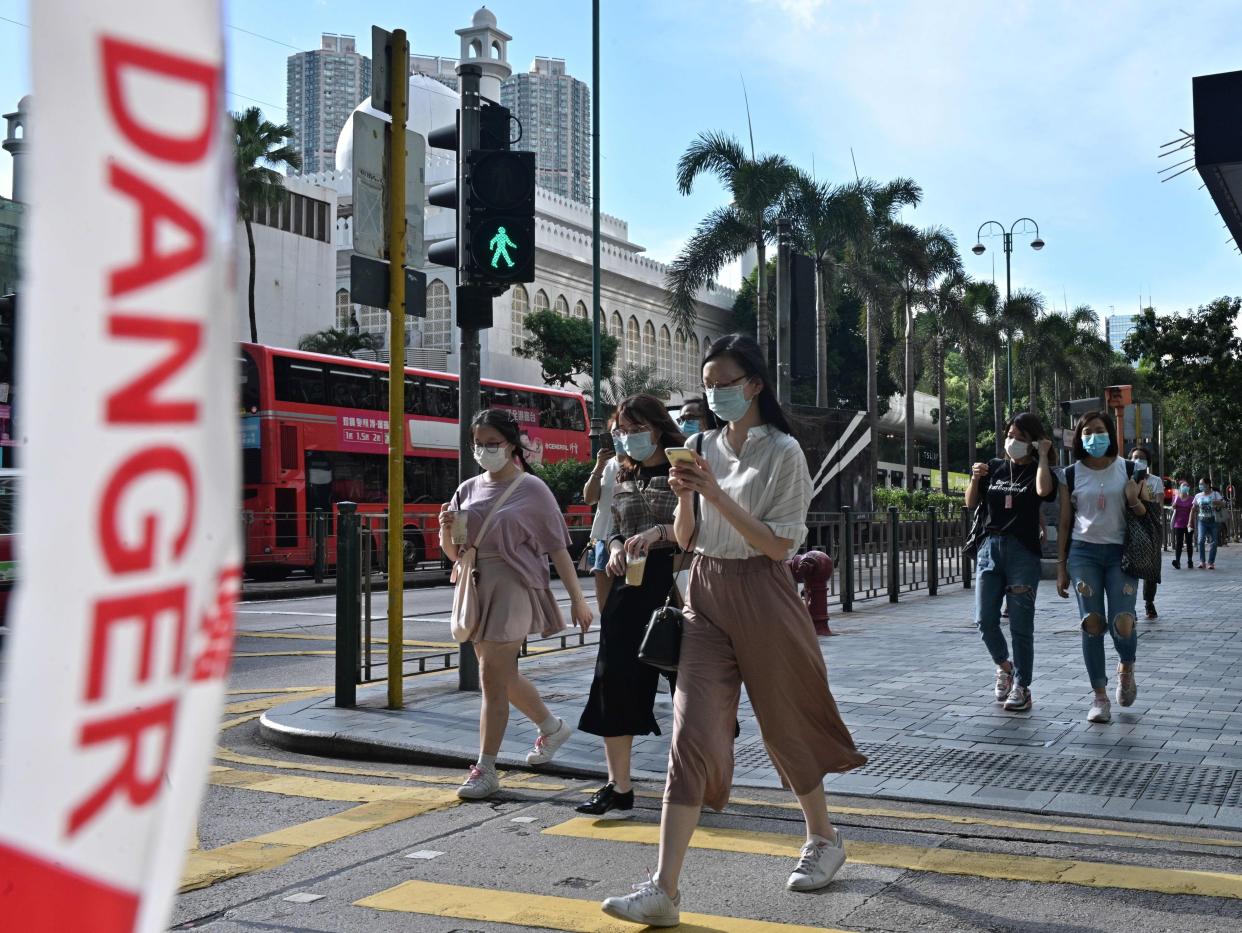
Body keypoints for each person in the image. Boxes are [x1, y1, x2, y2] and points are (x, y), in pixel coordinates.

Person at [602, 334, 865, 928]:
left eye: (726, 381)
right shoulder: (697, 444)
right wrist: (688, 500)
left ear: (754, 385)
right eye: (709, 382)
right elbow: (688, 539)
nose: (715, 392)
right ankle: (664, 887)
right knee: (690, 732)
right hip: (704, 593)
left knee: (784, 722)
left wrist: (715, 493)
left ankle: (823, 837)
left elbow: (777, 543)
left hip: (764, 591)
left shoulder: (783, 452)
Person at [439, 410, 594, 800]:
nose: (485, 450)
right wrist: (444, 529)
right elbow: (454, 552)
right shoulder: (468, 488)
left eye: (493, 443)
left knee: (492, 676)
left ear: (511, 444)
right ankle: (552, 727)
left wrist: (578, 600)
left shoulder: (533, 489)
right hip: (475, 584)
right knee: (500, 674)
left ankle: (486, 768)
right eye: (479, 443)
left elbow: (559, 548)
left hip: (514, 585)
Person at [576, 395, 686, 820]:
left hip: (676, 588)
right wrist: (619, 546)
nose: (627, 438)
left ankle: (698, 779)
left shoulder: (684, 468)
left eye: (636, 430)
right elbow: (614, 528)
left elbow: (701, 528)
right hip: (629, 588)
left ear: (658, 428)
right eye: (621, 430)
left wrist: (658, 533)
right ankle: (619, 788)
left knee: (689, 692)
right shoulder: (620, 470)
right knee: (612, 683)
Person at [1056, 411, 1151, 724]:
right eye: (1086, 432)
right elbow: (1066, 522)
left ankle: (1126, 667)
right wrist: (1061, 567)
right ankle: (1099, 696)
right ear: (1079, 438)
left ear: (1110, 433)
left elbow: (1146, 513)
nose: (1093, 437)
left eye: (1099, 431)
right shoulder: (1070, 474)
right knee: (1093, 622)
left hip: (1121, 554)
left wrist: (1133, 498)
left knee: (1123, 620)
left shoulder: (1130, 468)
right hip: (1083, 555)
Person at [965, 414, 1058, 713]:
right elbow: (971, 503)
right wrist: (975, 478)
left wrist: (1042, 455)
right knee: (985, 620)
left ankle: (1022, 686)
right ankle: (1005, 665)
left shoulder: (1038, 470)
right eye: (1009, 434)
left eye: (1019, 436)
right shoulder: (993, 467)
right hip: (990, 547)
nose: (1012, 441)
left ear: (1032, 440)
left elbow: (1044, 492)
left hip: (1023, 553)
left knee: (1021, 625)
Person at [583, 412, 620, 611]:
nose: (618, 437)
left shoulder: (642, 462)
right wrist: (598, 466)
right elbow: (589, 498)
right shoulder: (606, 466)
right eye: (614, 433)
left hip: (631, 537)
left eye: (623, 432)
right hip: (603, 537)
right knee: (605, 604)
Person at [1129, 447, 1164, 619]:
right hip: (1131, 528)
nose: (1138, 460)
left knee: (1151, 567)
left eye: (1141, 458)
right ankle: (1129, 605)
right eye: (1134, 457)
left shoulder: (1156, 481)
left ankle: (1149, 601)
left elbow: (1158, 507)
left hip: (1150, 527)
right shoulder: (1126, 479)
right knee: (1131, 567)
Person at [1191, 478, 1223, 569]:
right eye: (1199, 484)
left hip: (1214, 521)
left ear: (1208, 484)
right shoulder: (1198, 496)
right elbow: (1194, 508)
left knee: (1214, 542)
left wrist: (1216, 502)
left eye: (1202, 484)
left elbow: (1223, 504)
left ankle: (1211, 562)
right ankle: (1202, 562)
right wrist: (1190, 521)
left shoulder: (1215, 494)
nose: (1200, 486)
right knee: (1200, 540)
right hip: (1202, 521)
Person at [1170, 479, 1195, 569]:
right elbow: (1173, 507)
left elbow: (1194, 511)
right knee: (1179, 543)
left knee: (1189, 542)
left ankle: (1190, 560)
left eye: (1187, 486)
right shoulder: (1176, 498)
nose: (1185, 487)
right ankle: (1177, 561)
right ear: (1180, 488)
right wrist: (1173, 506)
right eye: (1183, 486)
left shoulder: (1192, 499)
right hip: (1178, 524)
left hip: (1189, 524)